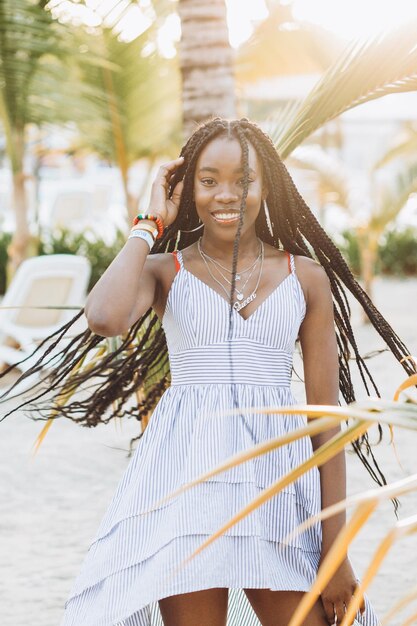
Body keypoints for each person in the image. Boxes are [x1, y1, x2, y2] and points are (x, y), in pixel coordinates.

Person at [1, 118, 415, 626]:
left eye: (243, 180)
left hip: (277, 486)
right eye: (208, 179)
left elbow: (326, 422)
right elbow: (104, 317)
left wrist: (336, 550)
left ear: (268, 185)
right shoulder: (163, 270)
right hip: (185, 484)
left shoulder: (304, 277)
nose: (226, 195)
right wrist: (148, 224)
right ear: (187, 188)